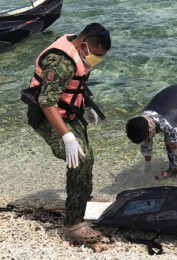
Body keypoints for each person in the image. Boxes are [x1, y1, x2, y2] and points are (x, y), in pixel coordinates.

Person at [24, 23, 111, 242]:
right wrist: (67, 136)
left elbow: (78, 83)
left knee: (87, 157)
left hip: (69, 112)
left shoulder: (79, 50)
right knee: (81, 160)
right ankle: (73, 223)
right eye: (97, 55)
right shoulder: (60, 62)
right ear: (84, 45)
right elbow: (46, 101)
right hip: (48, 116)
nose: (98, 59)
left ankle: (81, 196)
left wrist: (88, 106)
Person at [126, 85, 177, 189]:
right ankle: (173, 169)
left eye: (146, 137)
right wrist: (148, 164)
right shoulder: (141, 121)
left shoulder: (168, 125)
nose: (146, 140)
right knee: (168, 141)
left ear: (149, 130)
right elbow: (146, 142)